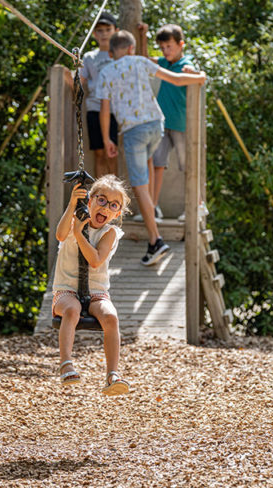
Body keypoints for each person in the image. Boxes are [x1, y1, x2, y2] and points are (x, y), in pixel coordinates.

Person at [98, 30, 206, 265]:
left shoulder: (106, 72)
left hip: (133, 131)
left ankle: (155, 240)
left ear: (111, 51)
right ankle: (152, 212)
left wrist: (107, 139)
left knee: (139, 186)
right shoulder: (139, 61)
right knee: (146, 170)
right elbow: (176, 79)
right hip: (156, 125)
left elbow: (105, 110)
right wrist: (200, 78)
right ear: (130, 48)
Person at [52, 174, 131, 395]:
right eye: (102, 200)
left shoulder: (110, 233)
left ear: (116, 214)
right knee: (72, 309)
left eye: (113, 205)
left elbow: (95, 260)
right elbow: (60, 235)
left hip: (97, 293)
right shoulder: (74, 220)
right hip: (66, 290)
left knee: (111, 317)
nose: (105, 207)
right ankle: (66, 364)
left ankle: (112, 374)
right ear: (90, 200)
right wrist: (72, 206)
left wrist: (79, 234)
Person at [138, 23, 204, 222]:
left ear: (181, 44)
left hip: (182, 126)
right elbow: (143, 59)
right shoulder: (164, 63)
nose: (166, 51)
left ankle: (197, 205)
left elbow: (192, 71)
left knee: (189, 167)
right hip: (162, 124)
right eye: (163, 47)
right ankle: (153, 208)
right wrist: (143, 37)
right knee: (156, 164)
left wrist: (193, 73)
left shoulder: (186, 63)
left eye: (170, 47)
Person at [79, 11, 119, 177]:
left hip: (116, 110)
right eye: (100, 30)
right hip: (95, 108)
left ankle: (116, 198)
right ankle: (100, 198)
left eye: (107, 29)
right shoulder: (89, 57)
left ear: (115, 31)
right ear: (94, 34)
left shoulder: (119, 54)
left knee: (112, 153)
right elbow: (78, 82)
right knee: (99, 154)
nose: (104, 34)